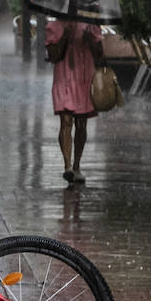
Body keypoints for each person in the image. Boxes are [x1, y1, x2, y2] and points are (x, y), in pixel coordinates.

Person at [45, 10, 104, 185]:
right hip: (63, 79)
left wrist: (90, 40)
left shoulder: (91, 25)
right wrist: (65, 36)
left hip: (84, 78)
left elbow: (100, 54)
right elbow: (53, 56)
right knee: (65, 120)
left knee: (81, 123)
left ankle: (77, 165)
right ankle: (67, 166)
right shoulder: (53, 26)